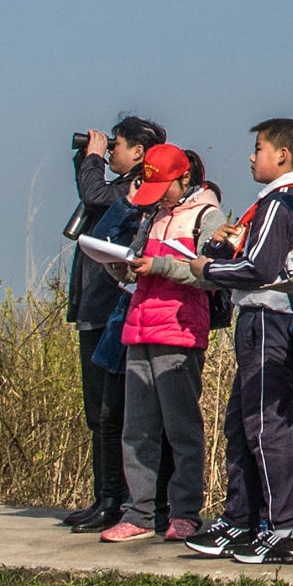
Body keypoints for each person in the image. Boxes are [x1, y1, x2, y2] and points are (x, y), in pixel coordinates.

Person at [184, 119, 293, 566]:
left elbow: (260, 269)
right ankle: (240, 518)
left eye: (259, 148)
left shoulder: (283, 204)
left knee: (266, 425)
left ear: (282, 154)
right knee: (241, 423)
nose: (251, 156)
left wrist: (207, 269)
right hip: (257, 318)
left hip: (271, 317)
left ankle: (282, 528)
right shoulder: (275, 204)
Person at [100, 144, 227, 543]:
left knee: (182, 427)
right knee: (137, 428)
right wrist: (122, 266)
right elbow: (137, 260)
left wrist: (162, 266)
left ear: (184, 178)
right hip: (139, 328)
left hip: (180, 331)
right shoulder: (153, 215)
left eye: (165, 186)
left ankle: (186, 512)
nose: (160, 195)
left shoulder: (208, 216)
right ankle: (138, 512)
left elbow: (213, 275)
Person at [63, 116, 165, 532]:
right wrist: (86, 160)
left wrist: (90, 160)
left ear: (139, 152)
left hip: (112, 313)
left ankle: (119, 500)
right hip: (94, 311)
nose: (110, 152)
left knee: (111, 414)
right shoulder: (119, 189)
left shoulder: (133, 192)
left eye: (116, 145)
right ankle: (105, 497)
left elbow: (94, 194)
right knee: (97, 414)